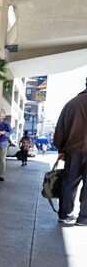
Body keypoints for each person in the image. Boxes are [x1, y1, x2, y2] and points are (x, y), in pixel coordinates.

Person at [53, 78, 87, 226]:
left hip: (73, 150)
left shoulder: (72, 103)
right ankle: (83, 218)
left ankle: (64, 213)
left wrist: (61, 148)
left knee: (69, 182)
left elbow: (60, 128)